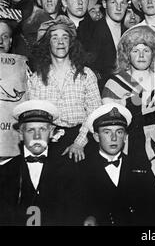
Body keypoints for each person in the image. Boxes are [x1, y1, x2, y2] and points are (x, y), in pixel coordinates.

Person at [101, 25, 155, 215]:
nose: (141, 55)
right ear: (126, 55)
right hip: (126, 147)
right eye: (135, 50)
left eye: (146, 50)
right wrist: (146, 101)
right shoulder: (115, 83)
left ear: (153, 54)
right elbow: (112, 114)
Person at [0, 100, 80, 225]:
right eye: (30, 130)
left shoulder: (67, 168)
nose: (37, 136)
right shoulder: (7, 170)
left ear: (51, 132)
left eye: (42, 129)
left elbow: (76, 211)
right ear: (21, 133)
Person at [76, 102, 155, 226]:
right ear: (96, 136)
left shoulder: (139, 167)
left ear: (126, 136)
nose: (114, 138)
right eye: (107, 132)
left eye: (119, 132)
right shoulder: (82, 169)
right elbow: (75, 211)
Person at [28, 15, 101, 163]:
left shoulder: (86, 74)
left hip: (83, 139)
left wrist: (78, 143)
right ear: (48, 43)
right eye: (54, 37)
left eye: (65, 37)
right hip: (49, 141)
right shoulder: (36, 79)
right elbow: (35, 119)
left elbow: (94, 114)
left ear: (71, 43)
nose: (60, 42)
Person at [89, 0, 131, 91]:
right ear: (104, 4)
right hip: (102, 89)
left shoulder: (129, 32)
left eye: (123, 3)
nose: (119, 8)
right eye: (113, 2)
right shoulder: (92, 31)